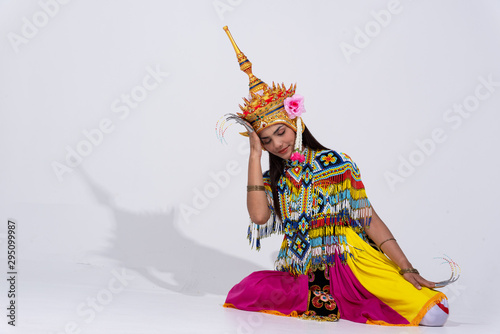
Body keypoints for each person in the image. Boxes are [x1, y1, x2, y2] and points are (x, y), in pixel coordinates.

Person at [219, 26, 450, 326]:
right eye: (266, 140)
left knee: (433, 314)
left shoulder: (335, 163)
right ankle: (323, 297)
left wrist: (405, 266)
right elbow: (260, 217)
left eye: (280, 132)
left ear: (295, 121)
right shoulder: (271, 178)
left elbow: (368, 218)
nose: (276, 144)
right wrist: (253, 154)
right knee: (246, 289)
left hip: (350, 263)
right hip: (302, 274)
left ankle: (363, 292)